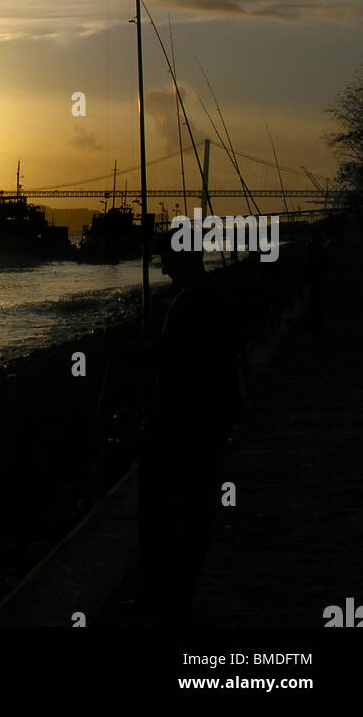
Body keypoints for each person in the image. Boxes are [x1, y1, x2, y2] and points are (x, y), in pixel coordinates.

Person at [137, 248, 240, 623]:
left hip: (183, 421)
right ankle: (175, 588)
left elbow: (173, 358)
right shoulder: (211, 297)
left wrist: (135, 356)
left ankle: (168, 592)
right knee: (194, 506)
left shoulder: (190, 303)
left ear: (184, 264)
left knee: (167, 506)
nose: (163, 270)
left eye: (167, 262)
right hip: (209, 417)